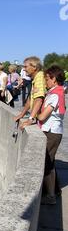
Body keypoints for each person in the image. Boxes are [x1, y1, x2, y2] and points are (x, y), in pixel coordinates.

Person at [37, 66, 66, 205]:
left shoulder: (55, 95)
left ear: (54, 79)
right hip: (54, 131)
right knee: (50, 161)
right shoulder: (58, 92)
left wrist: (33, 115)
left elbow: (42, 116)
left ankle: (50, 196)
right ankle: (55, 190)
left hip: (52, 132)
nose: (46, 82)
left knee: (47, 163)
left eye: (47, 79)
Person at [15, 57, 46, 129]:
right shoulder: (35, 78)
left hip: (46, 123)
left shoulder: (40, 77)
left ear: (34, 67)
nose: (24, 69)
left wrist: (30, 119)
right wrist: (22, 114)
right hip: (40, 119)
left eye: (26, 67)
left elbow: (39, 100)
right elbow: (30, 99)